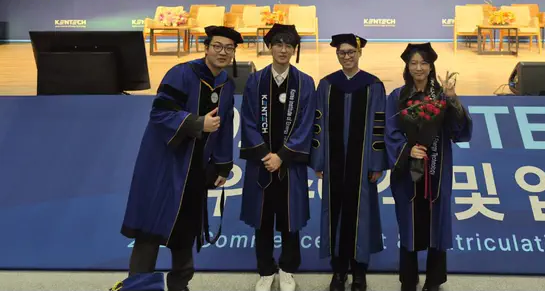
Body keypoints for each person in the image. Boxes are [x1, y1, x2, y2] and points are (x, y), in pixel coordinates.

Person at [120, 25, 241, 291]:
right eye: (217, 46)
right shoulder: (182, 73)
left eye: (229, 48)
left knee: (186, 229)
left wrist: (222, 164)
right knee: (149, 229)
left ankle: (180, 285)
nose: (223, 52)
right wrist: (197, 123)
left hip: (195, 168)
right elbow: (160, 112)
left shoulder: (226, 84)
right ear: (206, 48)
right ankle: (139, 286)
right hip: (165, 164)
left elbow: (224, 127)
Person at [385, 43, 472, 291]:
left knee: (437, 222)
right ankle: (408, 279)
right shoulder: (397, 97)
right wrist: (407, 150)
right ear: (407, 67)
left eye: (424, 63)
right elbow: (390, 132)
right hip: (408, 173)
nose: (418, 68)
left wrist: (453, 99)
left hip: (438, 168)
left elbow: (458, 129)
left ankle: (434, 280)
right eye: (413, 63)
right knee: (409, 222)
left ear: (431, 66)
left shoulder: (442, 96)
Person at [239, 24, 316, 291]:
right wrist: (265, 154)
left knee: (289, 219)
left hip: (289, 165)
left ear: (294, 50)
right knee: (262, 219)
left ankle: (287, 269)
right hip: (261, 163)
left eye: (289, 46)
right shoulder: (255, 81)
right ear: (270, 47)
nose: (283, 50)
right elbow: (248, 119)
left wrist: (282, 156)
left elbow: (307, 123)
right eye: (279, 45)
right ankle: (265, 269)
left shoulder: (305, 82)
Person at [311, 34, 388, 291]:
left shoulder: (373, 85)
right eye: (342, 52)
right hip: (333, 164)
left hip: (362, 164)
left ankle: (359, 272)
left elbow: (379, 126)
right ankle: (338, 271)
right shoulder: (326, 85)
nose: (346, 56)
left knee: (360, 215)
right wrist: (319, 160)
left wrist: (376, 163)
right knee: (335, 214)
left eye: (351, 52)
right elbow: (318, 124)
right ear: (337, 54)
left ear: (359, 53)